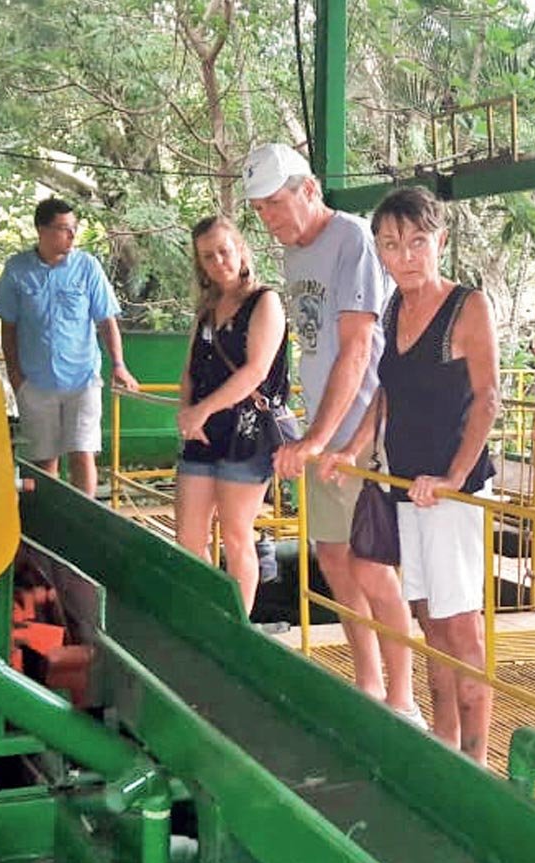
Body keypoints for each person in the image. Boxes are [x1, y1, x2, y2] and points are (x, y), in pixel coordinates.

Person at [321, 187, 499, 762]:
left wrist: (453, 477)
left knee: (461, 630)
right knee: (430, 626)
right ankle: (443, 747)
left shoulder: (467, 306)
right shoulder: (396, 306)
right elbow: (387, 397)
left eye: (418, 242)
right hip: (408, 491)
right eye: (392, 246)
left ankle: (475, 760)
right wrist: (353, 449)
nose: (406, 256)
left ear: (439, 241)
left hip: (451, 495)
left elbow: (488, 398)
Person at [243, 143, 419, 722]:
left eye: (275, 203)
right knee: (335, 560)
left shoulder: (352, 241)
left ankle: (404, 697)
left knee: (373, 566)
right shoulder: (295, 256)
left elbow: (358, 345)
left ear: (309, 189)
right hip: (322, 429)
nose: (269, 218)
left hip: (364, 431)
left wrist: (322, 438)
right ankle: (367, 683)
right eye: (260, 209)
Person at [174, 215, 289, 613]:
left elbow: (256, 369)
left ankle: (238, 623)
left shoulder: (265, 301)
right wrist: (187, 413)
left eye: (224, 251)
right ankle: (209, 611)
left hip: (247, 431)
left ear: (240, 250)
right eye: (208, 256)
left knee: (238, 534)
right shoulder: (206, 311)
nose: (219, 261)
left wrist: (203, 410)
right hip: (203, 432)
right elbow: (190, 370)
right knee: (189, 538)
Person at [0, 197, 139, 497]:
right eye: (63, 229)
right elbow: (8, 327)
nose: (71, 236)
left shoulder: (87, 266)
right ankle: (48, 525)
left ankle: (86, 521)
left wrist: (119, 365)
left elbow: (106, 319)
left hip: (82, 379)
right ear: (41, 231)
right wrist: (16, 377)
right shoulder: (17, 269)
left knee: (82, 451)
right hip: (35, 383)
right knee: (43, 461)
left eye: (74, 228)